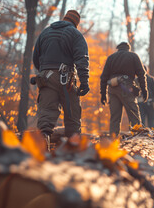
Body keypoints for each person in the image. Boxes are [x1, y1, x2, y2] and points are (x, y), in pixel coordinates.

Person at [33, 10, 90, 150]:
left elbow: (36, 59)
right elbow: (82, 59)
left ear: (64, 18)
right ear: (76, 23)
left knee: (45, 118)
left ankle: (41, 153)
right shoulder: (75, 34)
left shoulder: (45, 33)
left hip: (45, 78)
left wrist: (45, 72)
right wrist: (84, 82)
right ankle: (73, 153)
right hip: (67, 80)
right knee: (72, 119)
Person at [100, 42, 147, 136]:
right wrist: (144, 90)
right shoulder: (133, 56)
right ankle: (138, 139)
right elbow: (142, 74)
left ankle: (113, 142)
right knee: (134, 115)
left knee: (115, 118)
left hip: (112, 89)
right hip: (126, 88)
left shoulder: (111, 58)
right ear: (128, 48)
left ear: (118, 48)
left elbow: (104, 77)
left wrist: (103, 94)